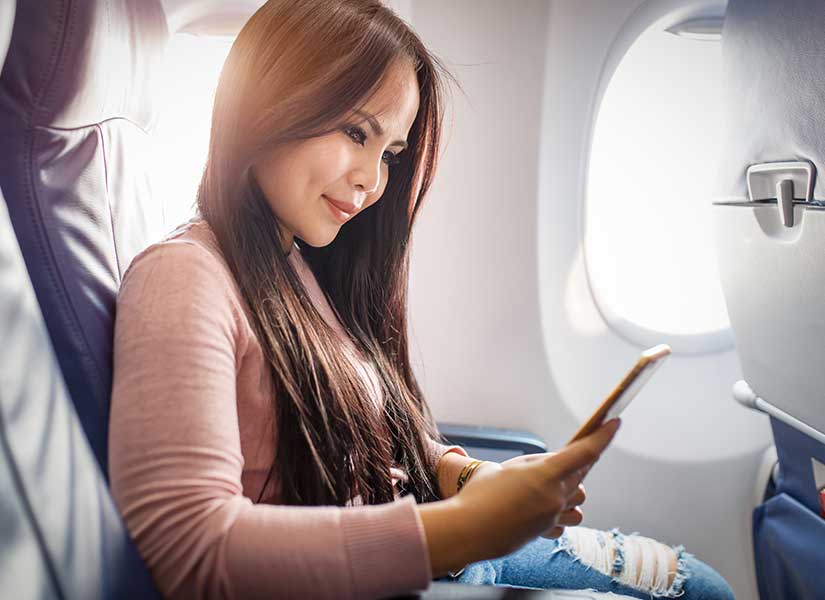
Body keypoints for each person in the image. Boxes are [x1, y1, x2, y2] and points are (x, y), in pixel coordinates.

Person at [108, 1, 736, 598]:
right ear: (266, 104)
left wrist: (466, 477)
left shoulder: (292, 265)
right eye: (357, 132)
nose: (373, 180)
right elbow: (191, 550)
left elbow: (356, 435)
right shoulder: (183, 278)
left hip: (422, 547)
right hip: (395, 562)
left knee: (700, 583)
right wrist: (467, 528)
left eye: (390, 153)